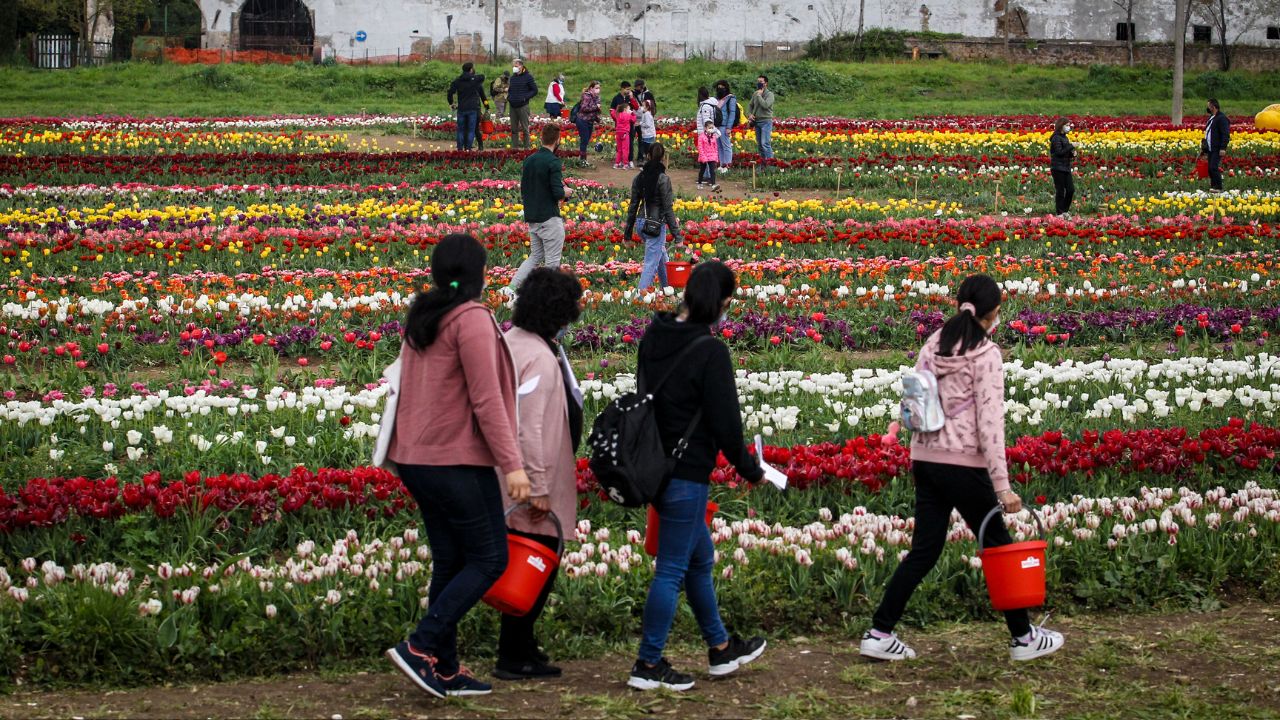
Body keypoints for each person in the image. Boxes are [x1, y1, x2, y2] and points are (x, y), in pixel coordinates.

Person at [860, 274, 1065, 664]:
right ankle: (1023, 638)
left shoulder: (933, 343)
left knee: (924, 550)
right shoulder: (986, 355)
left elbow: (912, 399)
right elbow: (990, 424)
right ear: (991, 315)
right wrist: (1002, 486)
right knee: (999, 545)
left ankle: (879, 632)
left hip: (926, 459)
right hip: (962, 464)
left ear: (959, 306)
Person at [384, 233, 531, 699]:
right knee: (489, 558)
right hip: (454, 459)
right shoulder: (471, 319)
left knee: (451, 558)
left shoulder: (426, 316)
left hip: (416, 457)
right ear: (480, 274)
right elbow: (487, 400)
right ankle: (422, 644)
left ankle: (444, 668)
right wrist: (513, 465)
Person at [628, 260, 767, 692]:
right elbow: (727, 425)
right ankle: (647, 664)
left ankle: (721, 648)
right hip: (686, 472)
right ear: (723, 302)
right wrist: (750, 468)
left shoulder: (655, 335)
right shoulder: (709, 351)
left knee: (699, 558)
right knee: (671, 569)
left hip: (653, 465)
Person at [495, 267, 585, 681]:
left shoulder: (512, 341)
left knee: (527, 557)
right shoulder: (538, 356)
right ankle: (514, 653)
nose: (579, 308)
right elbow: (527, 426)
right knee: (535, 562)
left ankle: (522, 644)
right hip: (534, 478)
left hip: (512, 474)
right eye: (574, 302)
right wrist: (538, 486)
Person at [511, 125, 571, 292]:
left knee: (535, 257)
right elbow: (557, 192)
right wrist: (567, 192)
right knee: (552, 262)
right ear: (557, 140)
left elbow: (525, 188)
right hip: (549, 218)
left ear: (541, 139)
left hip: (532, 216)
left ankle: (510, 288)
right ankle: (547, 296)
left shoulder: (529, 160)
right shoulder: (553, 161)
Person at [624, 143, 681, 290]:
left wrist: (627, 235)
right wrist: (678, 236)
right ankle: (640, 298)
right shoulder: (663, 179)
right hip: (655, 225)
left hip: (641, 223)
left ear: (648, 156)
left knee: (660, 255)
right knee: (651, 263)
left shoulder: (639, 178)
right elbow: (668, 209)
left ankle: (668, 289)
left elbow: (633, 207)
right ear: (662, 158)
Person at [447, 62, 488, 151]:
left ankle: (461, 148)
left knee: (462, 130)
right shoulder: (476, 82)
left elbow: (450, 92)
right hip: (474, 108)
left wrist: (451, 103)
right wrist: (487, 107)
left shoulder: (458, 80)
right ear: (471, 70)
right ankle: (468, 148)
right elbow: (483, 97)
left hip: (462, 108)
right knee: (472, 129)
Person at [507, 60, 538, 149]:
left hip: (523, 106)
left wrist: (525, 97)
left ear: (521, 66)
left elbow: (535, 90)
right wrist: (509, 98)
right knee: (514, 129)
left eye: (516, 65)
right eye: (513, 66)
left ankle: (526, 148)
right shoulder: (512, 78)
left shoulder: (528, 77)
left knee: (525, 128)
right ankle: (514, 148)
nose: (514, 67)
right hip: (512, 105)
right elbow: (510, 90)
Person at [1202, 97, 1230, 193]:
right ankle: (1213, 186)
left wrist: (1223, 147)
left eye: (1208, 106)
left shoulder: (1221, 118)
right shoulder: (1212, 117)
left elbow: (1225, 134)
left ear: (1213, 107)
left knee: (1213, 167)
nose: (1207, 108)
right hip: (1210, 147)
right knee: (1210, 168)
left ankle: (1219, 187)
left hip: (1217, 148)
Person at [1049, 117, 1075, 217]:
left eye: (1069, 125)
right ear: (1061, 126)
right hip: (1057, 167)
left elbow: (1066, 152)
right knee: (1060, 190)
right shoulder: (1056, 138)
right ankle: (1059, 212)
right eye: (1067, 125)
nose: (1069, 127)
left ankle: (1064, 210)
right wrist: (1071, 145)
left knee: (1070, 189)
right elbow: (1059, 153)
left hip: (1066, 167)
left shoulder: (1065, 137)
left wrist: (1072, 154)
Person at [573, 81, 602, 168]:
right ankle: (582, 160)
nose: (598, 90)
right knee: (584, 140)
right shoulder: (586, 96)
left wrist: (597, 119)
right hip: (582, 120)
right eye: (596, 88)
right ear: (591, 88)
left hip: (590, 121)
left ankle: (583, 159)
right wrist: (596, 107)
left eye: (599, 88)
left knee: (586, 140)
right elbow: (584, 108)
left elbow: (595, 111)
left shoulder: (597, 98)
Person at [746, 75, 775, 161]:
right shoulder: (755, 93)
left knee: (765, 143)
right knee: (759, 144)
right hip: (756, 121)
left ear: (766, 83)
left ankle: (770, 162)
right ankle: (763, 162)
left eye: (761, 82)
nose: (759, 83)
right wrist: (750, 114)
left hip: (766, 121)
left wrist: (759, 95)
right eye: (758, 81)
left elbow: (765, 105)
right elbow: (750, 105)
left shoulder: (770, 94)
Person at [713, 80, 736, 172]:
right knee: (719, 146)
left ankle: (728, 165)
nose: (720, 89)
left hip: (725, 125)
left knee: (726, 146)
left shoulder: (730, 98)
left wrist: (729, 127)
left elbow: (732, 113)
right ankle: (722, 165)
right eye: (718, 87)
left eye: (722, 87)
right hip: (717, 126)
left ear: (726, 88)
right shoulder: (716, 99)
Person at [632, 79, 657, 164]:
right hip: (636, 119)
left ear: (641, 86)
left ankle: (643, 158)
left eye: (637, 87)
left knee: (643, 141)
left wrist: (648, 117)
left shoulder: (648, 95)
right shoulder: (634, 93)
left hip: (644, 121)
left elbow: (653, 107)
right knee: (638, 140)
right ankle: (638, 158)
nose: (636, 88)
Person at [695, 120, 721, 191]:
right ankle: (699, 183)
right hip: (704, 156)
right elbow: (700, 148)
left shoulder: (713, 136)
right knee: (702, 170)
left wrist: (716, 156)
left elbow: (716, 147)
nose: (711, 129)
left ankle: (713, 184)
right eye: (710, 128)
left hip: (712, 156)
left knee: (712, 170)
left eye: (712, 128)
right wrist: (703, 157)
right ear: (705, 128)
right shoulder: (701, 136)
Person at [611, 100, 636, 169]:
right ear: (625, 109)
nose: (630, 110)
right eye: (629, 109)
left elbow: (613, 114)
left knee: (619, 149)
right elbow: (634, 120)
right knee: (625, 149)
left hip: (618, 133)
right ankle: (625, 164)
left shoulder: (618, 114)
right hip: (625, 133)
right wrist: (632, 113)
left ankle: (617, 163)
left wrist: (616, 109)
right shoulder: (628, 115)